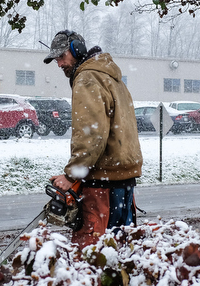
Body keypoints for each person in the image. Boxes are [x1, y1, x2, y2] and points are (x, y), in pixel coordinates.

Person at [44, 30, 143, 248]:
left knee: (91, 254)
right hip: (123, 180)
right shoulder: (111, 77)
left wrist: (72, 174)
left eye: (62, 57)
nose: (59, 64)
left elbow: (91, 133)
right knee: (121, 250)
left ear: (76, 50)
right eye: (56, 60)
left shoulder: (87, 78)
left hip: (102, 187)